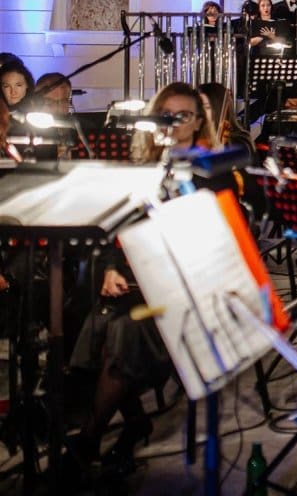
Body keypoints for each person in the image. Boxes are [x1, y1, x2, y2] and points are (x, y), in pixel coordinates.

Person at [68, 83, 217, 481]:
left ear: (198, 122)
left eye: (183, 116)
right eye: (165, 115)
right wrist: (112, 268)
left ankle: (90, 439)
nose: (173, 124)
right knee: (95, 319)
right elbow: (121, 227)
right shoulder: (145, 169)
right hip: (140, 283)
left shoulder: (211, 171)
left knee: (123, 330)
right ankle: (132, 422)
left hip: (185, 292)